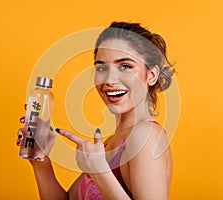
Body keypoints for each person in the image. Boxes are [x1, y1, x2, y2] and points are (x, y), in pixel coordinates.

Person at [17, 21, 175, 200]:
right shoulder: (111, 142)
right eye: (101, 68)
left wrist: (99, 171)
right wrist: (41, 160)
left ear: (152, 75)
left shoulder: (145, 136)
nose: (109, 79)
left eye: (125, 66)